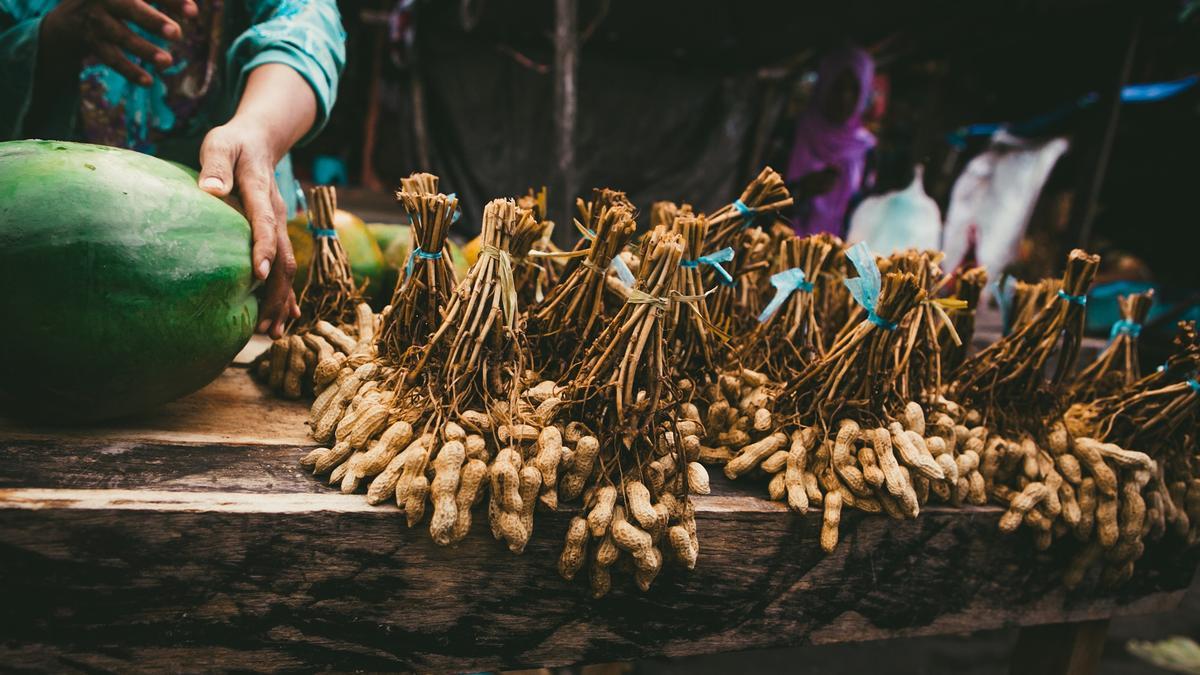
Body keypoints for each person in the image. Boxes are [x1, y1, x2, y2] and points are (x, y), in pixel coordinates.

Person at [0, 0, 345, 337]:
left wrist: (260, 131)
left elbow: (306, 23)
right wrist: (51, 33)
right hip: (33, 271)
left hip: (229, 268)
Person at [786, 44, 876, 237]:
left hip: (834, 258)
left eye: (854, 89)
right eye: (838, 86)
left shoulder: (866, 150)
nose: (845, 97)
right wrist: (802, 191)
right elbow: (762, 205)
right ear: (825, 83)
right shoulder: (791, 134)